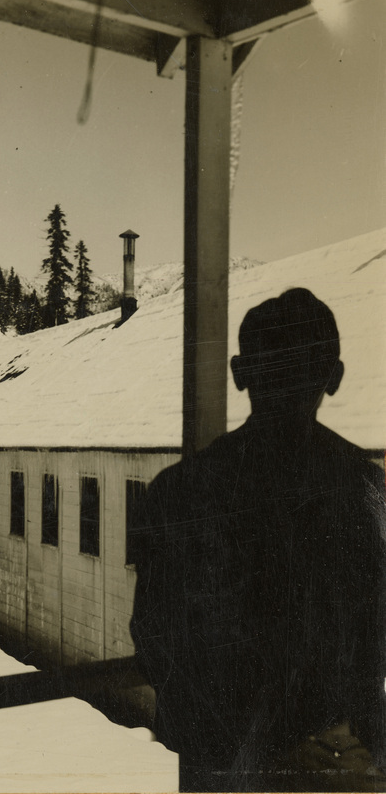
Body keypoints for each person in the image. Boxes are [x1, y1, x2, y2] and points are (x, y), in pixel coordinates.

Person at [130, 288, 386, 792]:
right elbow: (374, 627)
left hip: (222, 762)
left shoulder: (178, 490)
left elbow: (156, 634)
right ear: (333, 377)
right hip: (339, 757)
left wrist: (225, 749)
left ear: (240, 372)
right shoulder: (363, 486)